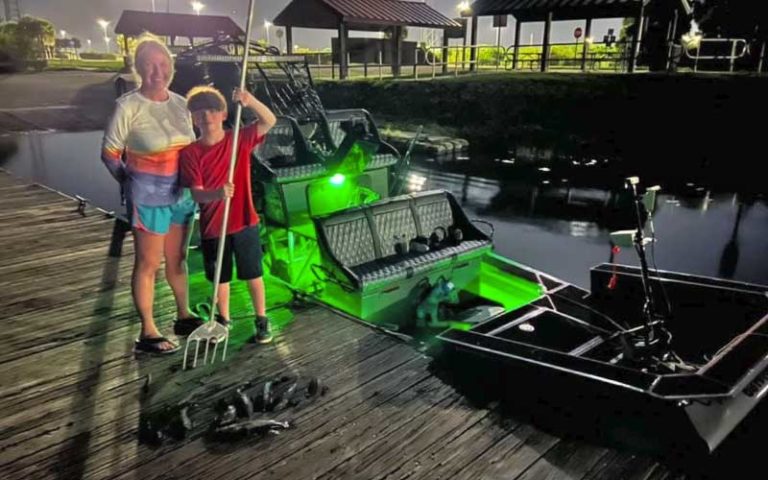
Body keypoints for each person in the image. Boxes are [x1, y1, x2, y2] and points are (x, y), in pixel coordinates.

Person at [101, 35, 202, 355]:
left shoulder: (180, 104)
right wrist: (129, 184)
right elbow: (109, 154)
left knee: (178, 259)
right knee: (148, 263)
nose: (157, 72)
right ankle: (148, 331)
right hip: (147, 198)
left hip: (181, 196)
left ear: (171, 67)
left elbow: (192, 147)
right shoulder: (128, 106)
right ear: (139, 69)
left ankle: (184, 316)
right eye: (149, 65)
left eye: (163, 65)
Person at [180, 85, 277, 343]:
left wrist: (250, 100)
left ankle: (262, 319)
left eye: (212, 110)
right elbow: (197, 193)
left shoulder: (239, 140)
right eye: (199, 112)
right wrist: (216, 194)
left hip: (245, 221)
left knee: (253, 273)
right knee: (219, 278)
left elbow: (269, 120)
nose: (206, 116)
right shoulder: (190, 153)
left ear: (223, 114)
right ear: (192, 118)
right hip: (213, 226)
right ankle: (223, 319)